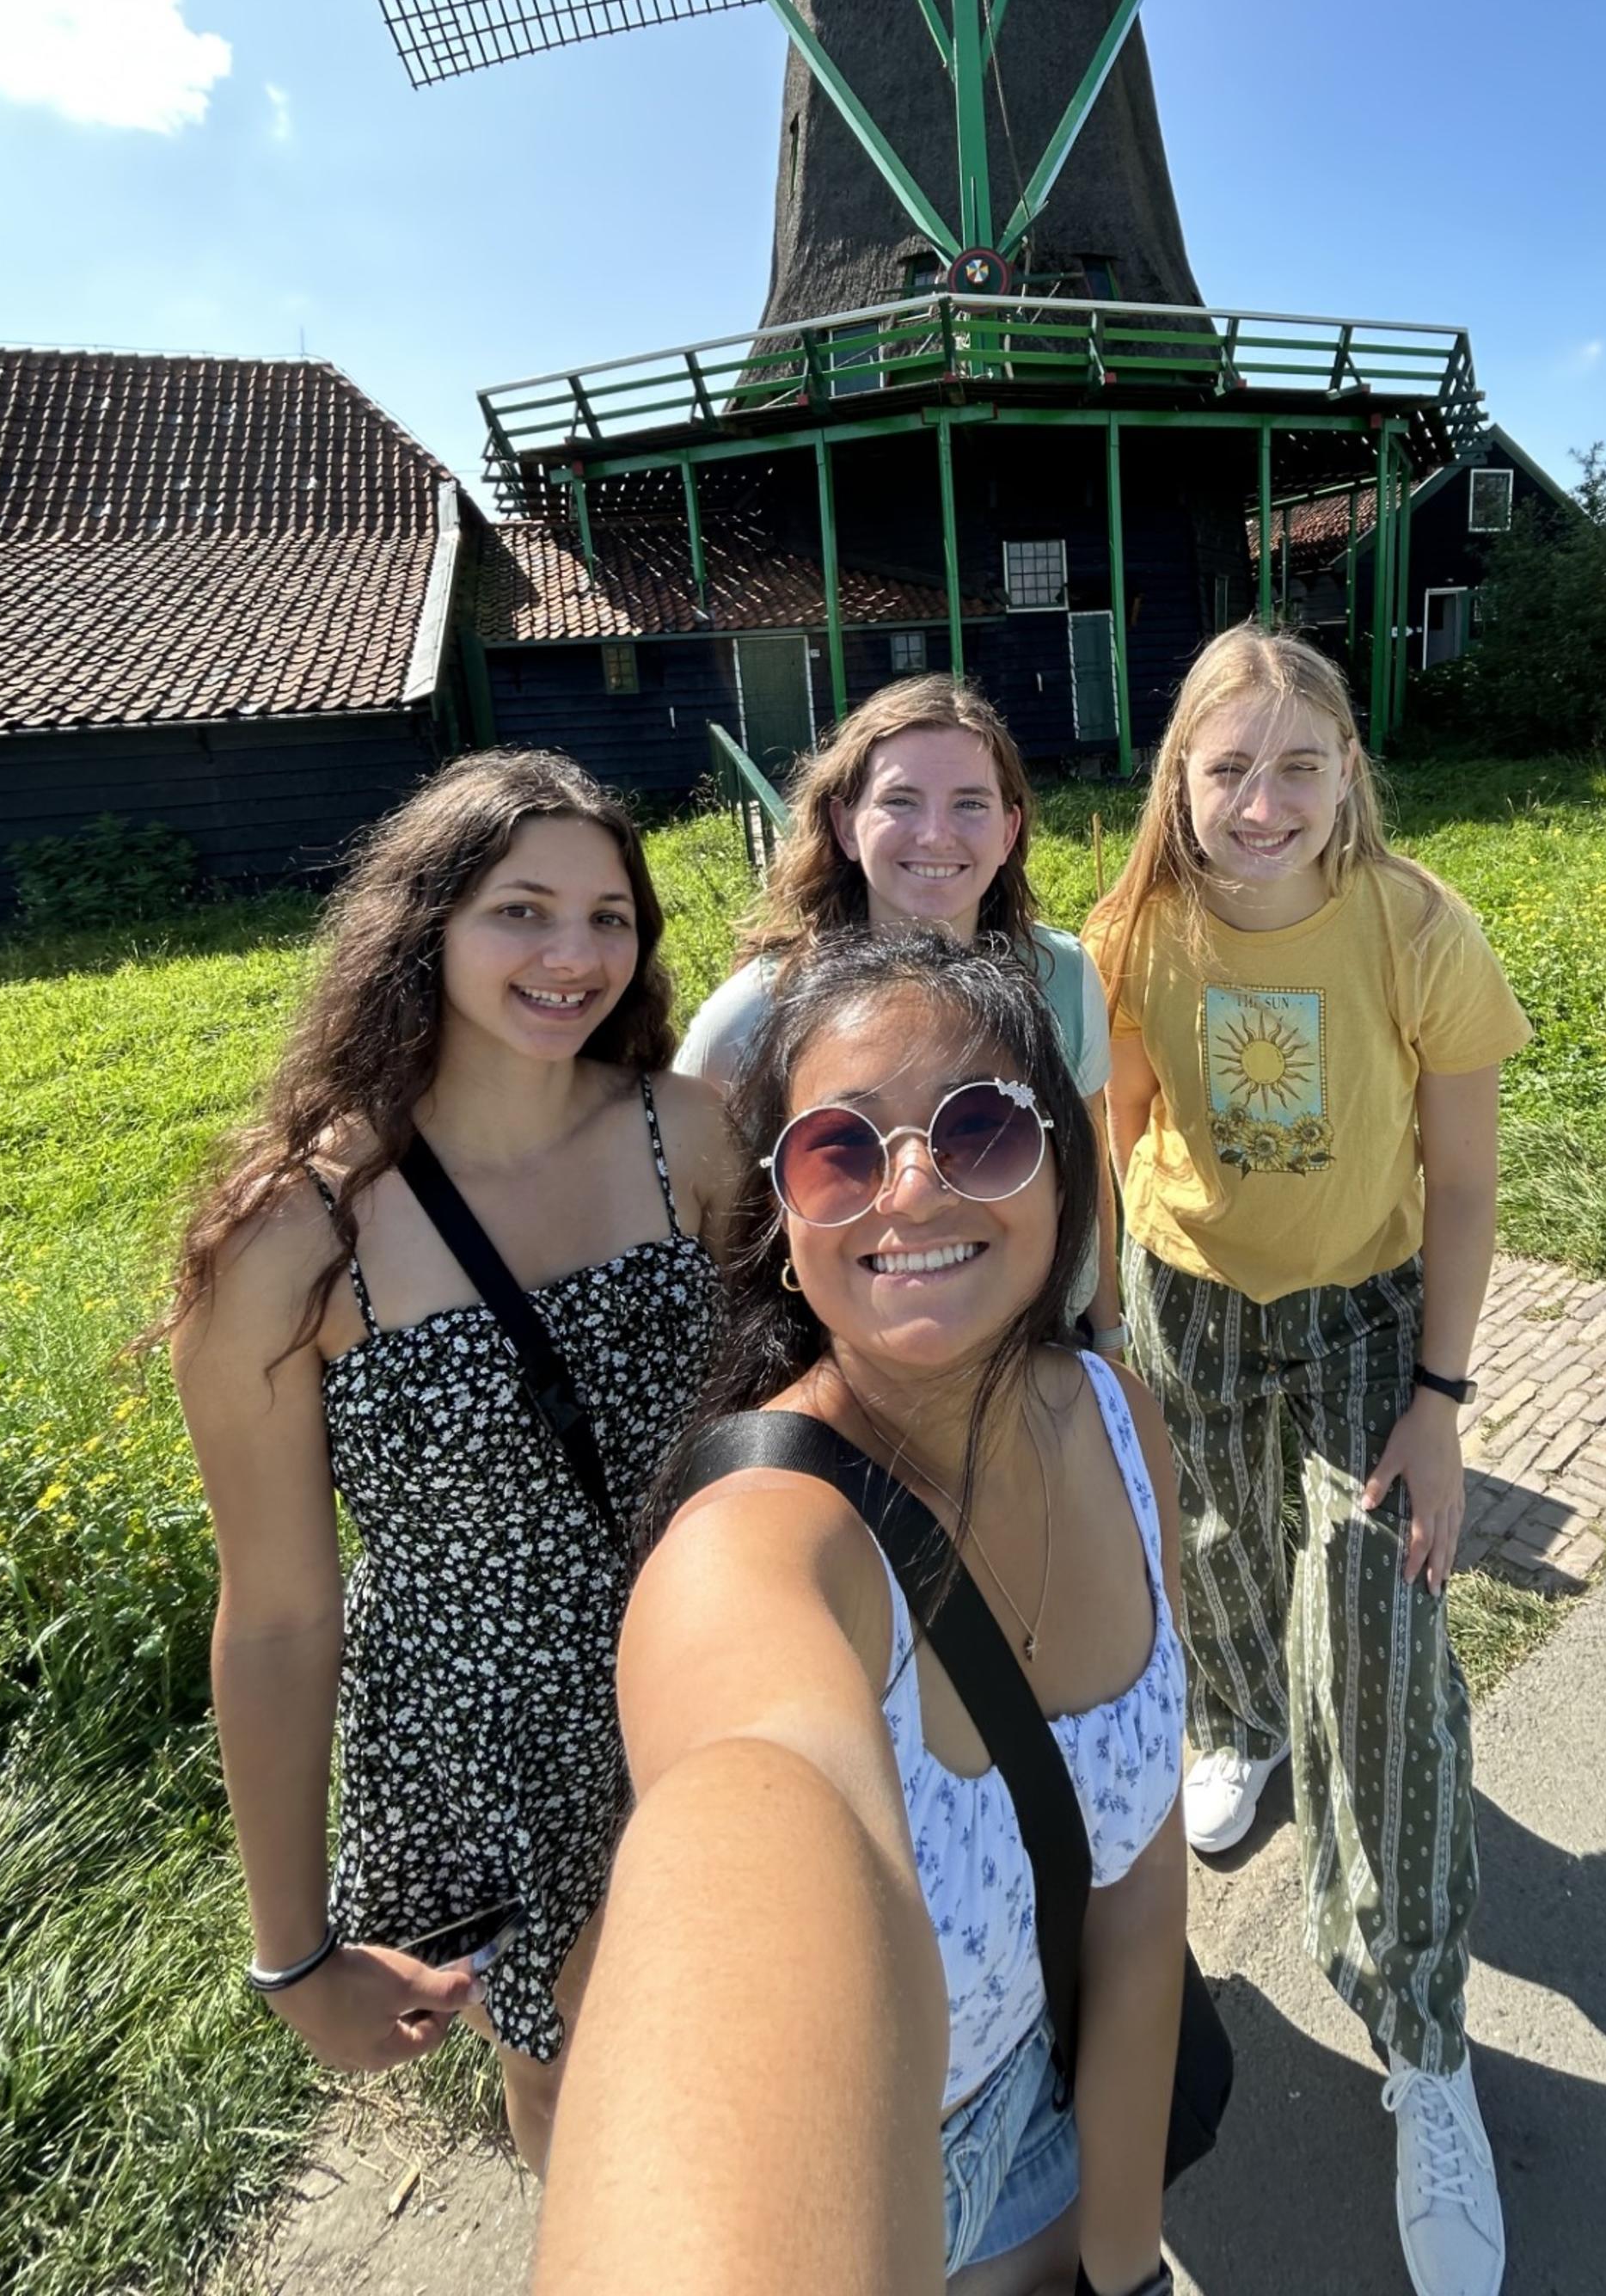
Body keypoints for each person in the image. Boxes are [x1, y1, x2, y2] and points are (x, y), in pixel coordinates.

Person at [559, 929, 1187, 2295]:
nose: (910, 1188)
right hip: (888, 2195)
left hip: (1058, 2131)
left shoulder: (1123, 1425)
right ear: (785, 1226)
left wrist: (1130, 2267)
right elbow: (747, 1817)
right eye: (839, 1153)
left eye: (979, 1128)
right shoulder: (756, 1555)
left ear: (1063, 1170)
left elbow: (1140, 1895)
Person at [169, 750, 736, 2172]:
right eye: (522, 911)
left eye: (611, 917)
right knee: (580, 2097)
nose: (574, 954)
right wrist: (292, 1955)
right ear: (424, 928)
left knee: (756, 2052)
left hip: (716, 1670)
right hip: (496, 1747)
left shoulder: (694, 1139)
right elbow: (283, 1615)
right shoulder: (295, 1238)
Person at [1084, 624, 1531, 2296]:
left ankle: (1423, 2041)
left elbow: (1468, 1187)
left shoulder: (1419, 928)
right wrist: (1104, 1336)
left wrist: (1441, 1396)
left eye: (1295, 763)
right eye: (1228, 767)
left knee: (1387, 1643)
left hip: (1367, 1325)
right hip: (1188, 1302)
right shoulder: (1134, 934)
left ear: (1349, 766)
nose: (1261, 801)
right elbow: (1114, 1132)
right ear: (1179, 785)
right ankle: (1242, 1722)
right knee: (1209, 1552)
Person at [676, 675, 1123, 1347]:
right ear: (844, 825)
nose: (937, 834)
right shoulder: (753, 1015)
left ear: (1009, 831)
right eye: (900, 801)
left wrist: (1109, 1328)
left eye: (970, 803)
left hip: (1039, 1345)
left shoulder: (1062, 976)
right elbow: (705, 1221)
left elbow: (1089, 1178)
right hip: (848, 1370)